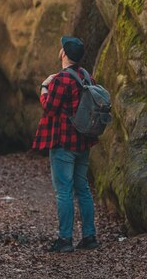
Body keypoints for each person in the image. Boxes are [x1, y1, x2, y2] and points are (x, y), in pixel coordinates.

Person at [32, 36, 99, 252]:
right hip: (84, 143)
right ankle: (89, 237)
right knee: (83, 189)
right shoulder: (87, 77)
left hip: (63, 143)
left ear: (63, 53)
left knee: (63, 191)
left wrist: (44, 86)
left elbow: (49, 107)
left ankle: (65, 240)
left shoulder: (61, 79)